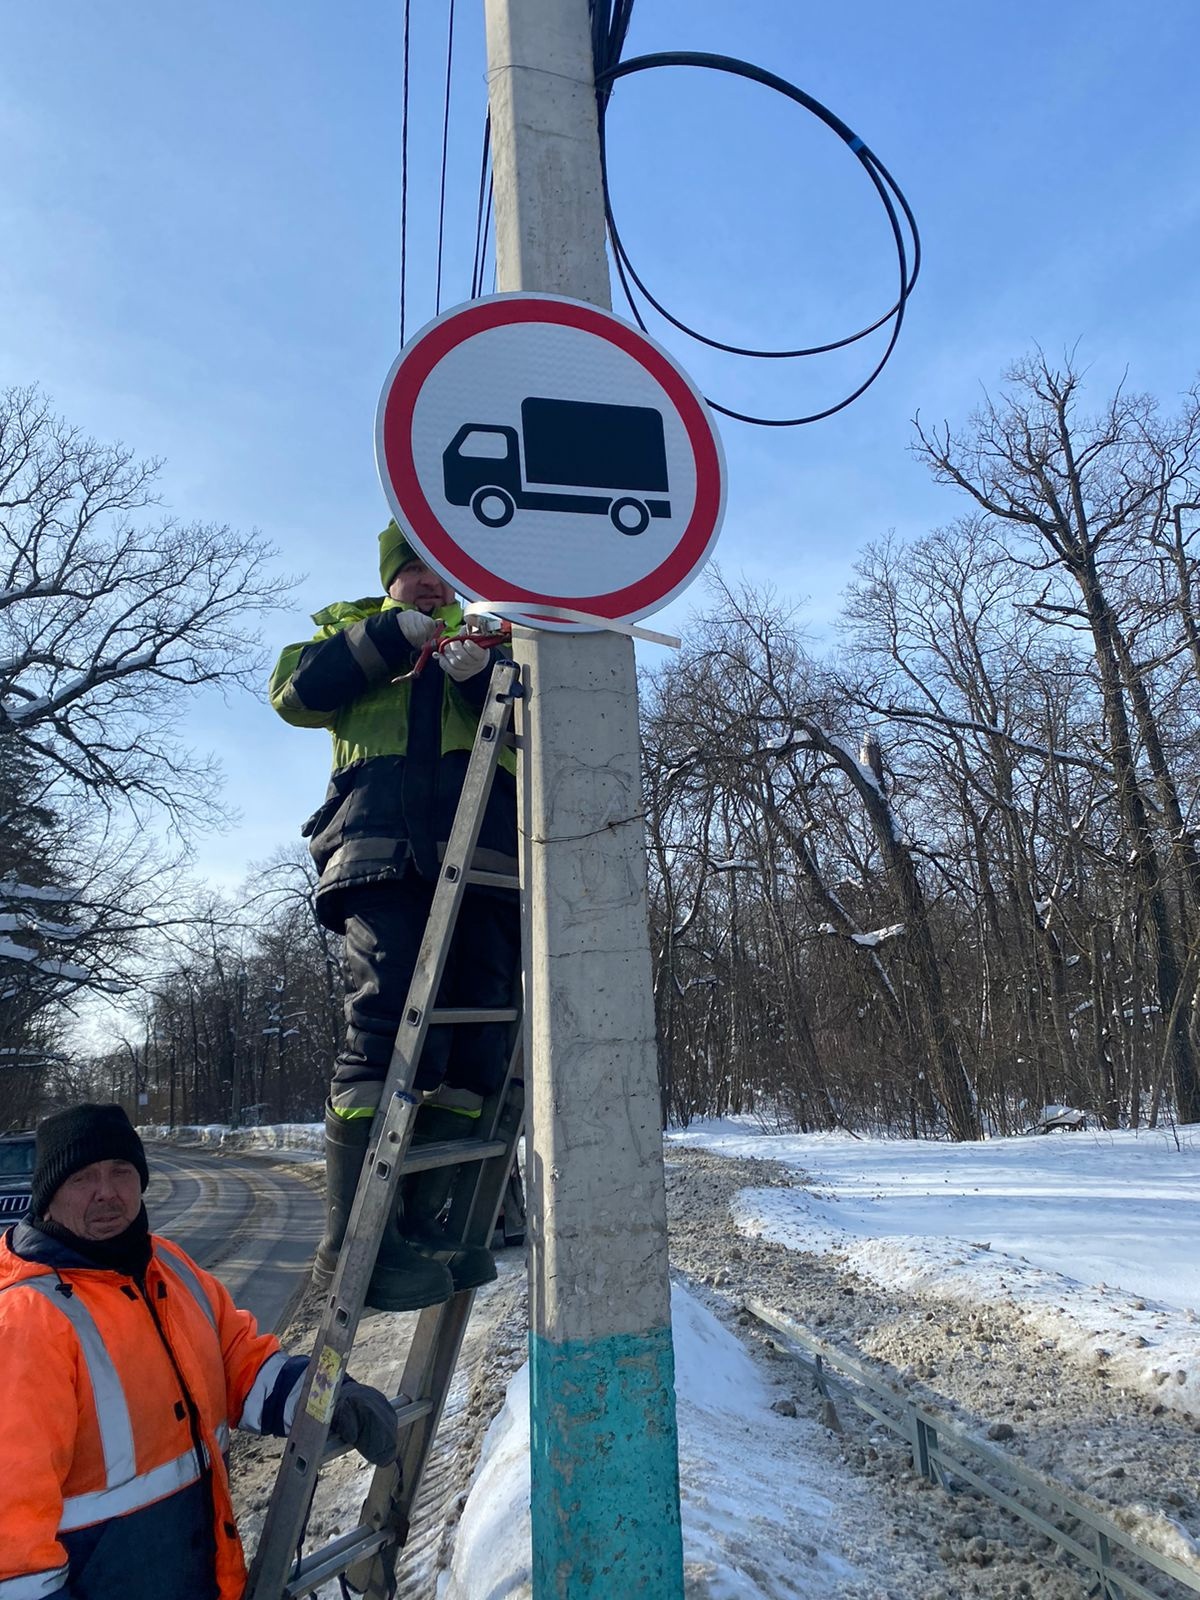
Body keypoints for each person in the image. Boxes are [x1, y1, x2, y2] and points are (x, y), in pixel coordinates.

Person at [269, 521, 521, 1313]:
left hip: (485, 858)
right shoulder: (342, 630)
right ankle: (354, 1247)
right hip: (378, 853)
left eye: (441, 574)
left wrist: (482, 676)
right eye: (413, 572)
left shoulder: (495, 637)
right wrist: (386, 637)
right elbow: (295, 696)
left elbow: (544, 727)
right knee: (387, 1024)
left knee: (477, 1040)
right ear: (391, 579)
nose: (430, 585)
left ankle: (425, 1225)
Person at [0, 1103, 398, 1600]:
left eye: (121, 1171)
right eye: (83, 1178)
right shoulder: (26, 1322)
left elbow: (246, 1368)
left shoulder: (168, 1266)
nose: (106, 1192)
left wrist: (331, 1395)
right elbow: (11, 1538)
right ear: (48, 1197)